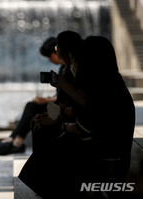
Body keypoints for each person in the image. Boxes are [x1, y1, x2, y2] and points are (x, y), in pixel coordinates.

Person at [19, 36, 135, 198]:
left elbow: (87, 124)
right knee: (44, 152)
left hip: (106, 153)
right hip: (106, 148)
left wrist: (61, 124)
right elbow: (83, 110)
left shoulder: (104, 87)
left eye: (76, 60)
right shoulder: (109, 82)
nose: (74, 64)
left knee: (43, 160)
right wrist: (59, 116)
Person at [0, 37, 63, 155]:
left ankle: (14, 141)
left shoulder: (69, 68)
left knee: (33, 107)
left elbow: (67, 96)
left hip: (66, 109)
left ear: (56, 53)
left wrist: (45, 100)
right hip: (62, 106)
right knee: (32, 106)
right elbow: (62, 93)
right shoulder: (64, 67)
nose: (50, 60)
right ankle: (15, 141)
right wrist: (47, 99)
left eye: (50, 56)